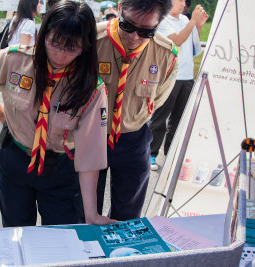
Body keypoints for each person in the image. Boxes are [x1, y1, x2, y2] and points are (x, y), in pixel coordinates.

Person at [0, 0, 115, 227]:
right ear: (44, 34)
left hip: (59, 168)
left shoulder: (92, 89)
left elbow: (90, 155)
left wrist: (91, 213)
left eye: (71, 49)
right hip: (16, 160)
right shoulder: (15, 60)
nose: (60, 55)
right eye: (54, 43)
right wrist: (1, 115)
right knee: (16, 233)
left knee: (60, 237)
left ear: (85, 47)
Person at [96, 0, 179, 221]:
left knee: (128, 215)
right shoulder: (90, 40)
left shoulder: (166, 55)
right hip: (89, 137)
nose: (134, 37)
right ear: (120, 7)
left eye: (145, 31)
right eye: (127, 25)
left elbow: (158, 99)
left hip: (133, 139)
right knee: (84, 212)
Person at [149, 0, 208, 171]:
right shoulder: (162, 20)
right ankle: (151, 154)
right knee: (160, 118)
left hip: (187, 76)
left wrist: (198, 27)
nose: (183, 3)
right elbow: (175, 43)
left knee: (178, 120)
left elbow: (195, 49)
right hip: (169, 76)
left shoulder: (184, 20)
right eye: (180, 0)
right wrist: (192, 22)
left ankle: (170, 154)